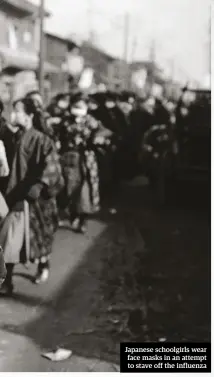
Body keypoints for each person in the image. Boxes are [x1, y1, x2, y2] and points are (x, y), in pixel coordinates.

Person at [0, 96, 63, 294]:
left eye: (18, 111)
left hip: (34, 198)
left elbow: (52, 167)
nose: (14, 114)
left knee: (36, 238)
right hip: (13, 193)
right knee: (9, 238)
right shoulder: (11, 135)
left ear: (29, 115)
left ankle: (43, 265)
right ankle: (7, 280)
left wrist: (39, 185)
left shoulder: (41, 139)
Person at [59, 92, 100, 233]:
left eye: (81, 106)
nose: (78, 109)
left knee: (84, 188)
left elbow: (102, 134)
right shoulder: (65, 121)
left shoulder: (92, 121)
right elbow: (60, 138)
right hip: (68, 157)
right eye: (75, 106)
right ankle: (72, 216)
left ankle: (82, 219)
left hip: (86, 159)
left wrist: (94, 141)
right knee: (69, 187)